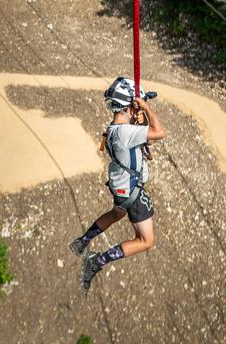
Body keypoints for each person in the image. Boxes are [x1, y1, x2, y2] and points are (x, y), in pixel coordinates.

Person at [69, 76, 166, 290]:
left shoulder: (114, 129)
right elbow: (160, 133)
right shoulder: (127, 132)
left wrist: (140, 119)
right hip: (133, 191)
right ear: (128, 106)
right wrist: (147, 110)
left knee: (116, 214)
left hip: (121, 187)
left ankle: (82, 241)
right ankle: (96, 261)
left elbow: (147, 140)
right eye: (134, 105)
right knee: (146, 240)